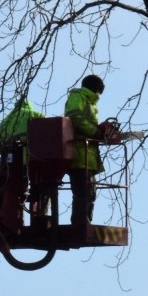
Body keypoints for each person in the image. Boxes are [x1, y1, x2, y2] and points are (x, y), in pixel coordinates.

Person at [0, 98, 45, 234]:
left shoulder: (7, 119)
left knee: (4, 186)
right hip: (29, 158)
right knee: (29, 188)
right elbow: (45, 134)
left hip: (8, 158)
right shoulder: (36, 115)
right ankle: (34, 218)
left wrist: (4, 155)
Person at [64, 75, 105, 226]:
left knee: (90, 193)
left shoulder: (89, 102)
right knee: (82, 192)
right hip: (79, 155)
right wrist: (95, 132)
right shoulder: (79, 96)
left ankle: (86, 221)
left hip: (89, 156)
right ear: (97, 89)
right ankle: (80, 223)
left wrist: (100, 130)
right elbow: (74, 117)